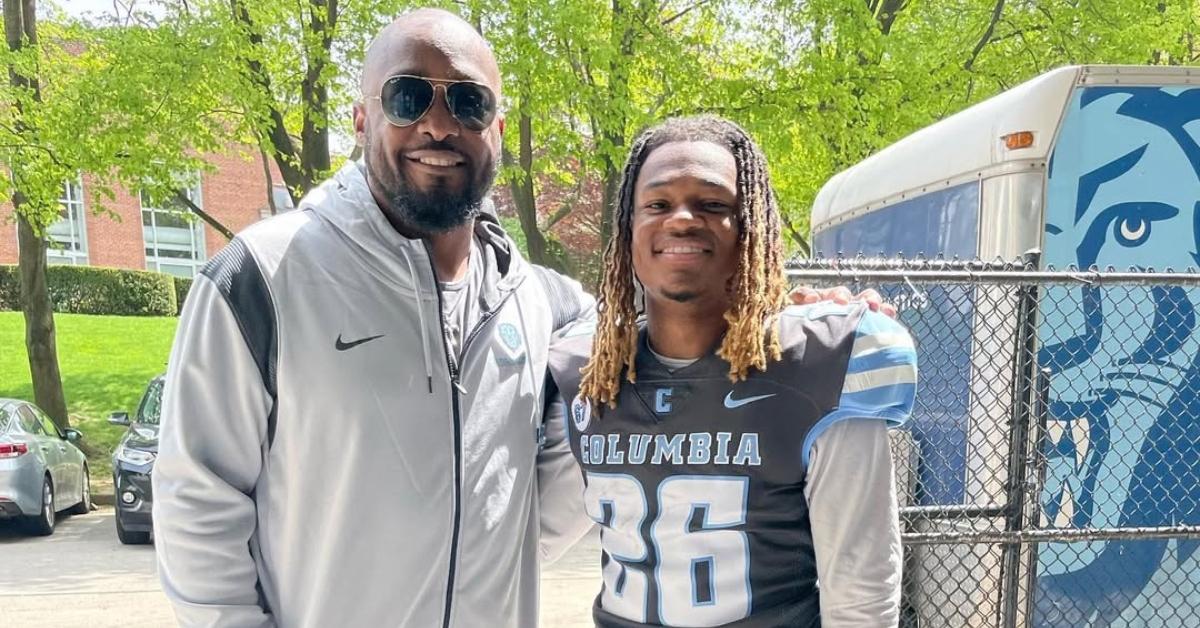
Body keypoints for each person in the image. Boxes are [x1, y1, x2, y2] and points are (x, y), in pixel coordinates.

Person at [152, 9, 889, 628]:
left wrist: (797, 316)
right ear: (360, 117)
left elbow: (671, 331)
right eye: (408, 97)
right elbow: (196, 509)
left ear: (496, 128)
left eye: (467, 103)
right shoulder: (264, 277)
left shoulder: (548, 306)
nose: (438, 124)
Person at [547, 116, 917, 627]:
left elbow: (859, 587)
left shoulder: (818, 365)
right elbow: (532, 537)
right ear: (627, 232)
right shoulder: (585, 372)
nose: (680, 218)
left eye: (713, 204)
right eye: (656, 204)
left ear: (753, 228)